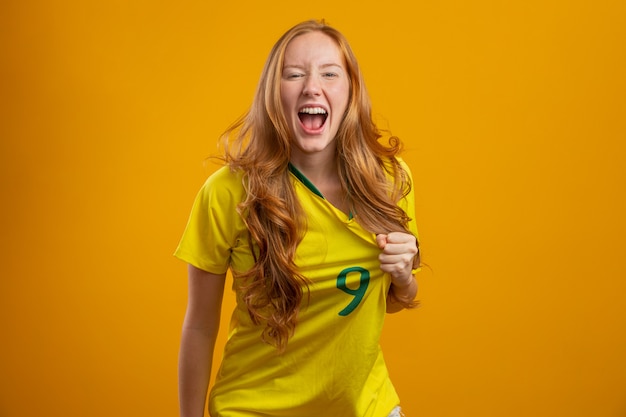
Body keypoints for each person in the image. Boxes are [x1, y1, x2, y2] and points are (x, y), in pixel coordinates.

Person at [175, 19, 421, 417]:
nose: (312, 86)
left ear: (351, 91)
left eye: (329, 73)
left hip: (365, 407)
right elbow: (200, 326)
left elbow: (396, 300)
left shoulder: (390, 182)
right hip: (253, 408)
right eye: (294, 74)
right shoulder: (227, 193)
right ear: (274, 94)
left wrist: (404, 275)